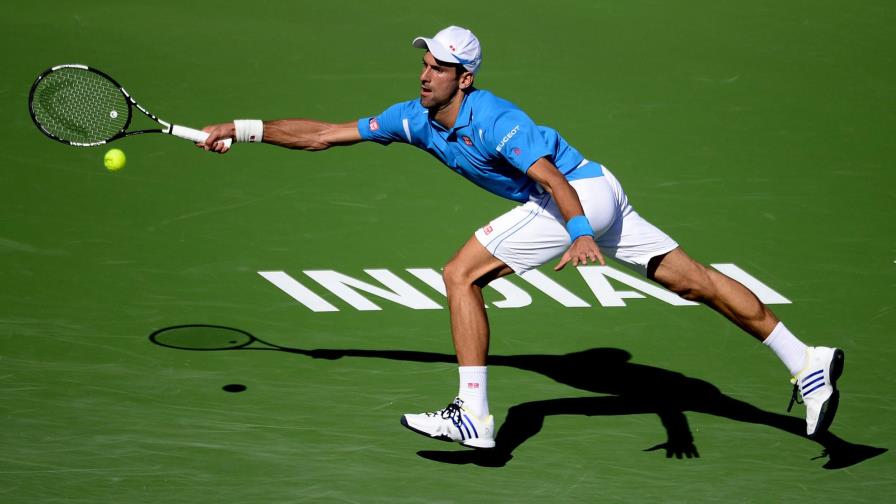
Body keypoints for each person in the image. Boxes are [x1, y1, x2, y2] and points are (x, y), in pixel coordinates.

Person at [198, 26, 844, 449]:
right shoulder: (411, 118)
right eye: (424, 63)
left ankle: (472, 415)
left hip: (576, 196)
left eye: (439, 68)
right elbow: (322, 134)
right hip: (598, 189)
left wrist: (581, 232)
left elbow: (550, 179)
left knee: (460, 274)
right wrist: (240, 125)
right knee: (691, 279)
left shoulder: (496, 121)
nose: (425, 75)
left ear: (465, 78)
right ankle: (804, 359)